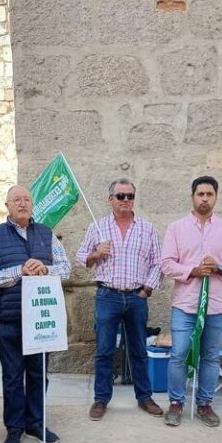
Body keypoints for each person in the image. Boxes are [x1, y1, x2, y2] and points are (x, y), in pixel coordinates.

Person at [0, 185, 70, 443]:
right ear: (7, 205)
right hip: (10, 320)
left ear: (33, 205)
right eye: (16, 200)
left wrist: (45, 269)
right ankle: (14, 428)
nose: (22, 204)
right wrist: (20, 271)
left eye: (27, 199)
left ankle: (36, 423)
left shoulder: (46, 233)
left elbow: (65, 268)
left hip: (41, 320)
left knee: (38, 374)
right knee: (11, 376)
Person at [160, 176, 222, 427]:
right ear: (192, 197)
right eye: (200, 194)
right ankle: (176, 402)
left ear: (216, 197)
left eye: (210, 194)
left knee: (210, 356)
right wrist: (192, 271)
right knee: (179, 353)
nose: (205, 198)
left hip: (217, 304)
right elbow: (166, 263)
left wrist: (220, 267)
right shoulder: (176, 228)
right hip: (186, 304)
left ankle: (205, 403)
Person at [76, 178, 163, 421]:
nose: (126, 200)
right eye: (120, 196)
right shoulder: (98, 227)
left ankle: (144, 397)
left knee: (139, 349)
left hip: (136, 297)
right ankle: (101, 399)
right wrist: (96, 253)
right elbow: (80, 257)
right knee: (104, 350)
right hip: (107, 296)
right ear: (110, 199)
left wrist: (147, 290)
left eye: (130, 196)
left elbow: (158, 262)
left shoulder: (147, 228)